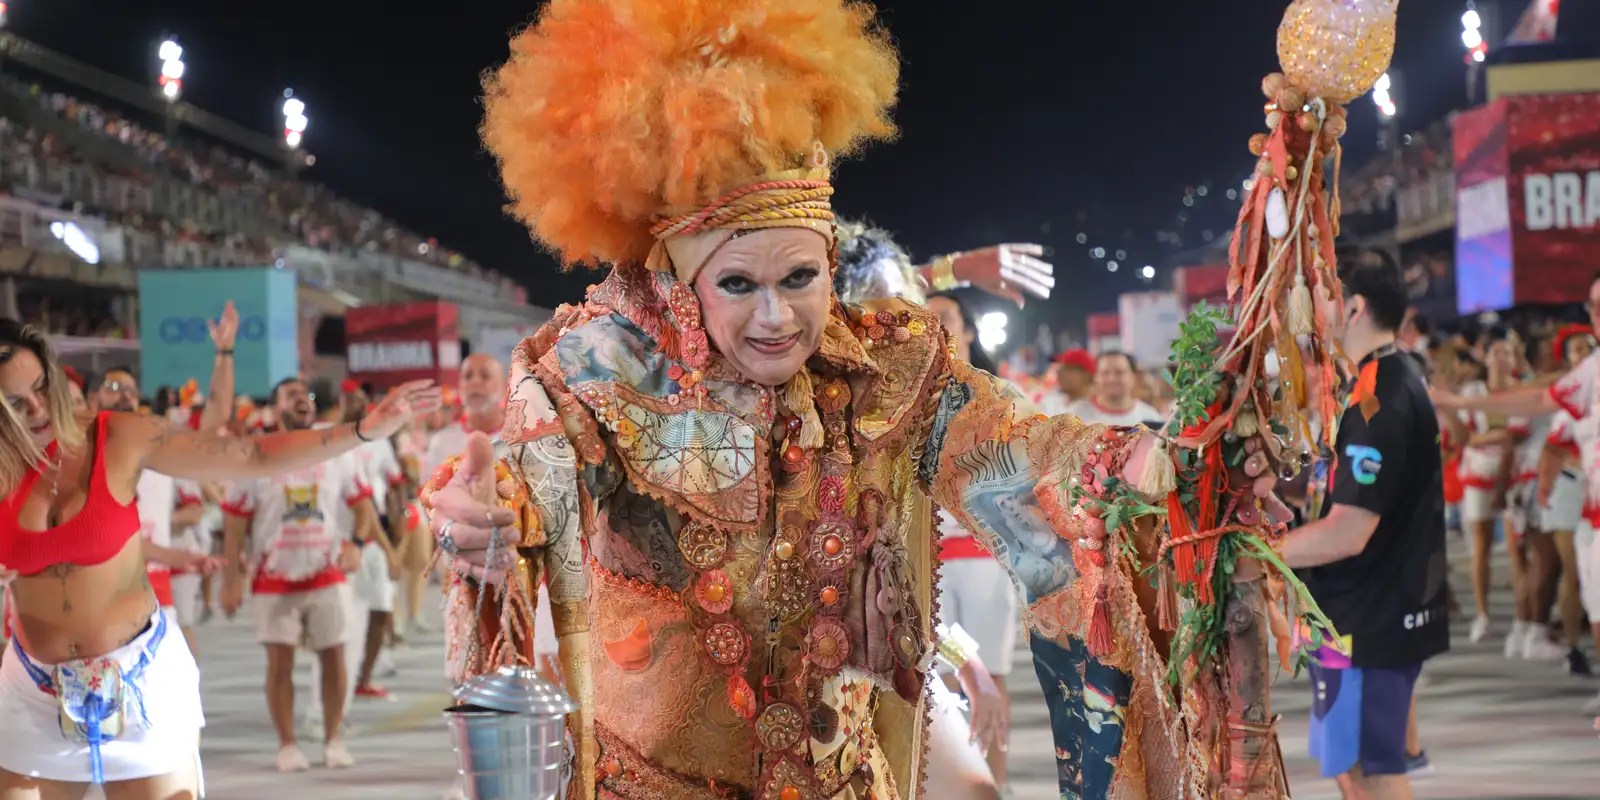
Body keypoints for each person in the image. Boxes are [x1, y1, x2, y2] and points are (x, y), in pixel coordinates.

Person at [423, 3, 1288, 796]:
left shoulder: (887, 372)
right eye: (738, 283)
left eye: (800, 278)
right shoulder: (598, 376)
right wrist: (487, 517)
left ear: (831, 267)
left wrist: (1146, 458)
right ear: (683, 287)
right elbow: (520, 490)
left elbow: (1016, 447)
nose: (776, 316)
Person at [0, 318, 437, 797]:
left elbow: (248, 454)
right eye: (15, 402)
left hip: (140, 681)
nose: (37, 409)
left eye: (42, 388)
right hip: (33, 696)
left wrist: (362, 430)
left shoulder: (119, 437)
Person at [1279, 256, 1451, 800]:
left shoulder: (1382, 399)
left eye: (1318, 294)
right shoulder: (1370, 384)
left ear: (1352, 307)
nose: (1307, 308)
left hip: (1372, 620)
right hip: (1345, 617)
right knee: (1349, 768)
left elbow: (1346, 532)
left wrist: (1254, 552)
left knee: (1374, 770)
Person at [220, 377, 407, 772]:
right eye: (290, 395)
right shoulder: (254, 454)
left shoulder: (335, 452)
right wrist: (231, 577)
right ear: (274, 409)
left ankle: (333, 738)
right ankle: (287, 744)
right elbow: (235, 521)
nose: (302, 401)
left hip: (327, 571)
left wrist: (356, 544)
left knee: (334, 655)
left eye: (305, 396)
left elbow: (361, 506)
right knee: (280, 663)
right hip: (275, 575)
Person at [1436, 273, 1600, 712]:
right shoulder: (1586, 374)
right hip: (1565, 499)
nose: (1595, 318)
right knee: (1563, 580)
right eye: (1593, 308)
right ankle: (1530, 632)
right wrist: (1460, 405)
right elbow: (1538, 405)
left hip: (1546, 489)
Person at [1456, 331, 1523, 645]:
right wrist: (1497, 438)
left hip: (1514, 476)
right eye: (1496, 352)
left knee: (1517, 550)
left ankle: (1524, 620)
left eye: (1507, 352)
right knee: (1480, 548)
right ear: (1485, 357)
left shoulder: (1522, 392)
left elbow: (1521, 436)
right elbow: (1465, 438)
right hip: (1478, 475)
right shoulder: (1473, 391)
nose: (1501, 358)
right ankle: (1483, 614)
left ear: (1514, 358)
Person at [1539, 324, 1597, 675]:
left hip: (1591, 495)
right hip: (1567, 492)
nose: (1583, 355)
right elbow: (1553, 447)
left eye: (1587, 348)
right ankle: (1574, 648)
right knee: (1572, 573)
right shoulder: (1563, 395)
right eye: (1575, 350)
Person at [1063, 351, 1160, 427]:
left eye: (1119, 372)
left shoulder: (1151, 417)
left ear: (1132, 377)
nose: (1112, 379)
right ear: (1095, 377)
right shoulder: (1074, 416)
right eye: (1105, 372)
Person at [1037, 349, 1094, 416]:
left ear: (1086, 375)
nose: (1060, 373)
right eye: (1061, 369)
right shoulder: (1052, 400)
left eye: (1069, 369)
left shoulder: (1096, 409)